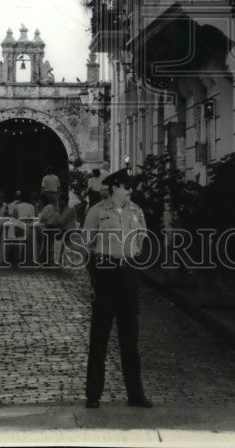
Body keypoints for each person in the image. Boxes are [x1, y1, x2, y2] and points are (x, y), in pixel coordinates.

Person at [82, 167, 153, 410]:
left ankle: (136, 394)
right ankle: (93, 394)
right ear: (114, 188)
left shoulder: (137, 211)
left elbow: (143, 238)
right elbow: (86, 246)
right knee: (100, 336)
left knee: (130, 338)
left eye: (130, 187)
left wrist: (132, 259)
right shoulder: (97, 212)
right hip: (105, 273)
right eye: (126, 187)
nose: (130, 191)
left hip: (127, 273)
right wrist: (95, 276)